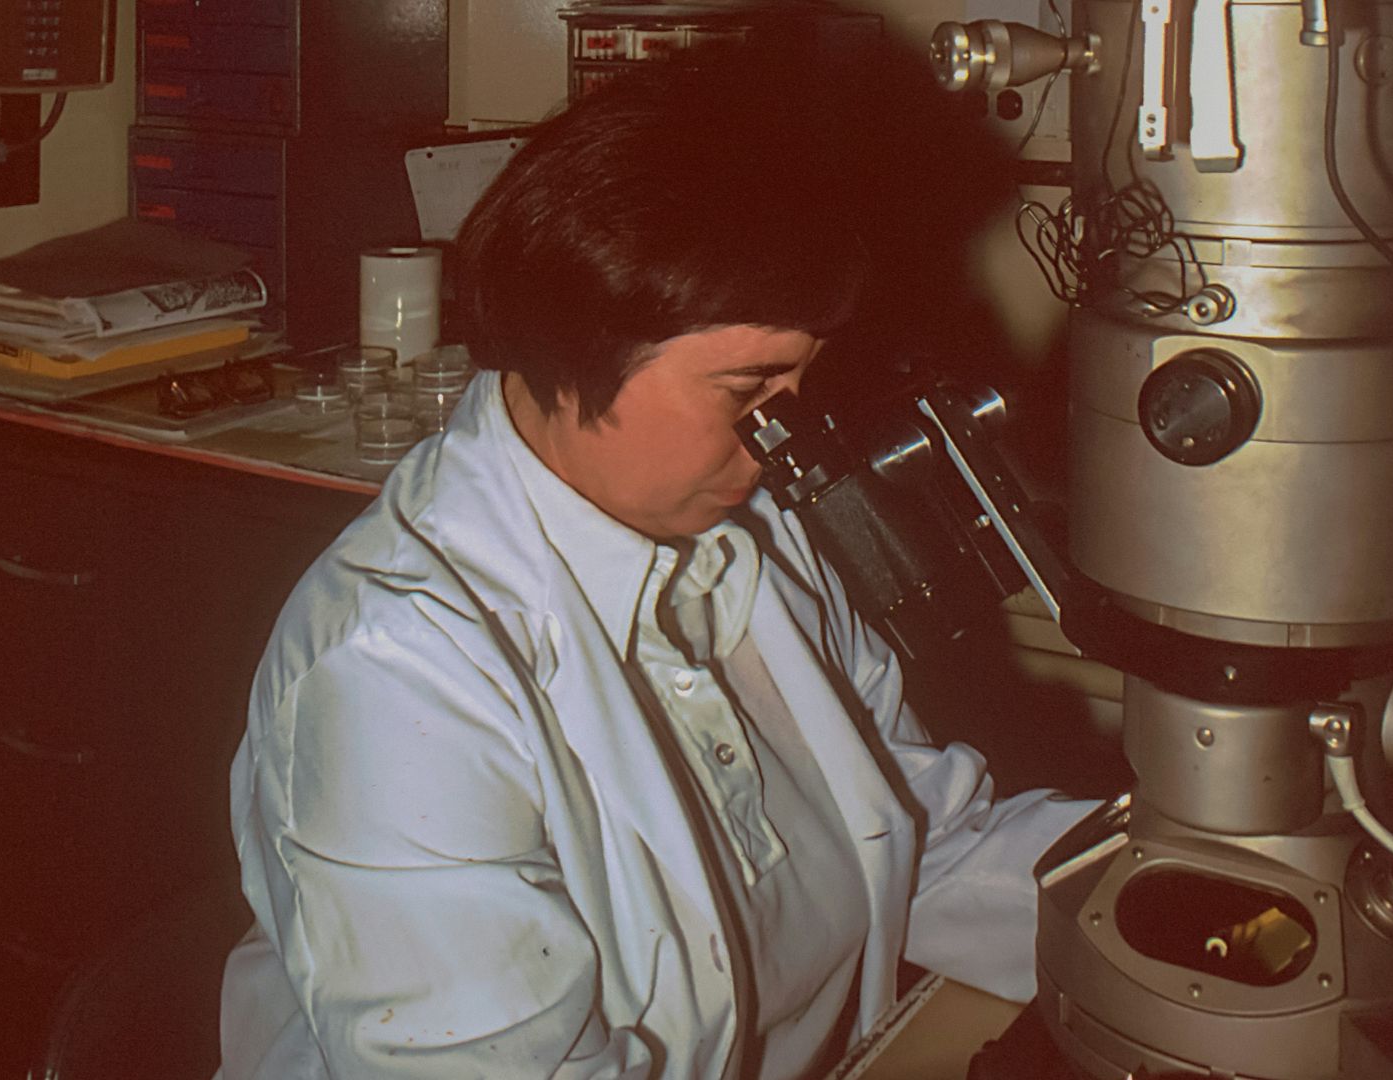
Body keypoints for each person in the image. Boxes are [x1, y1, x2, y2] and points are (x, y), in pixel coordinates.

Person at [219, 36, 1096, 1080]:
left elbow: (928, 846)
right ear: (570, 347)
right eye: (748, 393)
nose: (787, 439)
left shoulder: (751, 541)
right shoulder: (394, 673)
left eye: (801, 384)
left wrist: (1168, 874)